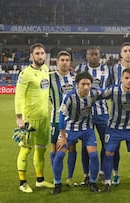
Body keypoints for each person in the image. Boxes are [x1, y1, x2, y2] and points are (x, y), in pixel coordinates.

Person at [51, 72, 102, 194]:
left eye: (88, 84)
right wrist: (63, 137)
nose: (86, 87)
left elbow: (111, 91)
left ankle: (93, 183)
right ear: (77, 84)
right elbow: (62, 117)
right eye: (83, 84)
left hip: (87, 129)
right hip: (69, 128)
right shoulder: (69, 96)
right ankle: (57, 184)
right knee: (59, 155)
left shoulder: (94, 93)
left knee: (94, 155)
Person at [14, 43, 54, 193]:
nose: (40, 56)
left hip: (44, 118)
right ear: (32, 56)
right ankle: (22, 182)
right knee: (25, 150)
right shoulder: (25, 74)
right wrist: (19, 117)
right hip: (29, 119)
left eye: (42, 53)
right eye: (37, 53)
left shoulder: (45, 69)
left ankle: (40, 180)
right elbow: (18, 95)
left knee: (41, 150)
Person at [101, 68, 130, 192]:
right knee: (109, 153)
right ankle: (107, 182)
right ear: (121, 79)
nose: (128, 81)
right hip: (114, 128)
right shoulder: (113, 90)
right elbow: (98, 94)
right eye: (126, 78)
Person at [106, 42, 130, 185]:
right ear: (121, 54)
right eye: (125, 51)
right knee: (113, 150)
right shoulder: (114, 69)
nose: (128, 53)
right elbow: (107, 87)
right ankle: (115, 174)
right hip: (116, 116)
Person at [75, 46, 110, 185]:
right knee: (85, 145)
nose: (94, 56)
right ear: (87, 55)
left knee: (106, 143)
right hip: (85, 115)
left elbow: (110, 89)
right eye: (91, 54)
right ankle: (86, 174)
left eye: (96, 54)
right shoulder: (79, 69)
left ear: (100, 55)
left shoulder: (107, 70)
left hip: (102, 113)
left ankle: (101, 172)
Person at [48, 50, 77, 187]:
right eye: (62, 60)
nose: (65, 62)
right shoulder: (49, 77)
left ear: (70, 62)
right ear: (57, 62)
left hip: (71, 121)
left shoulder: (74, 78)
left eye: (67, 60)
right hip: (55, 118)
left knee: (71, 147)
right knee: (54, 148)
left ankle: (70, 178)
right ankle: (56, 179)